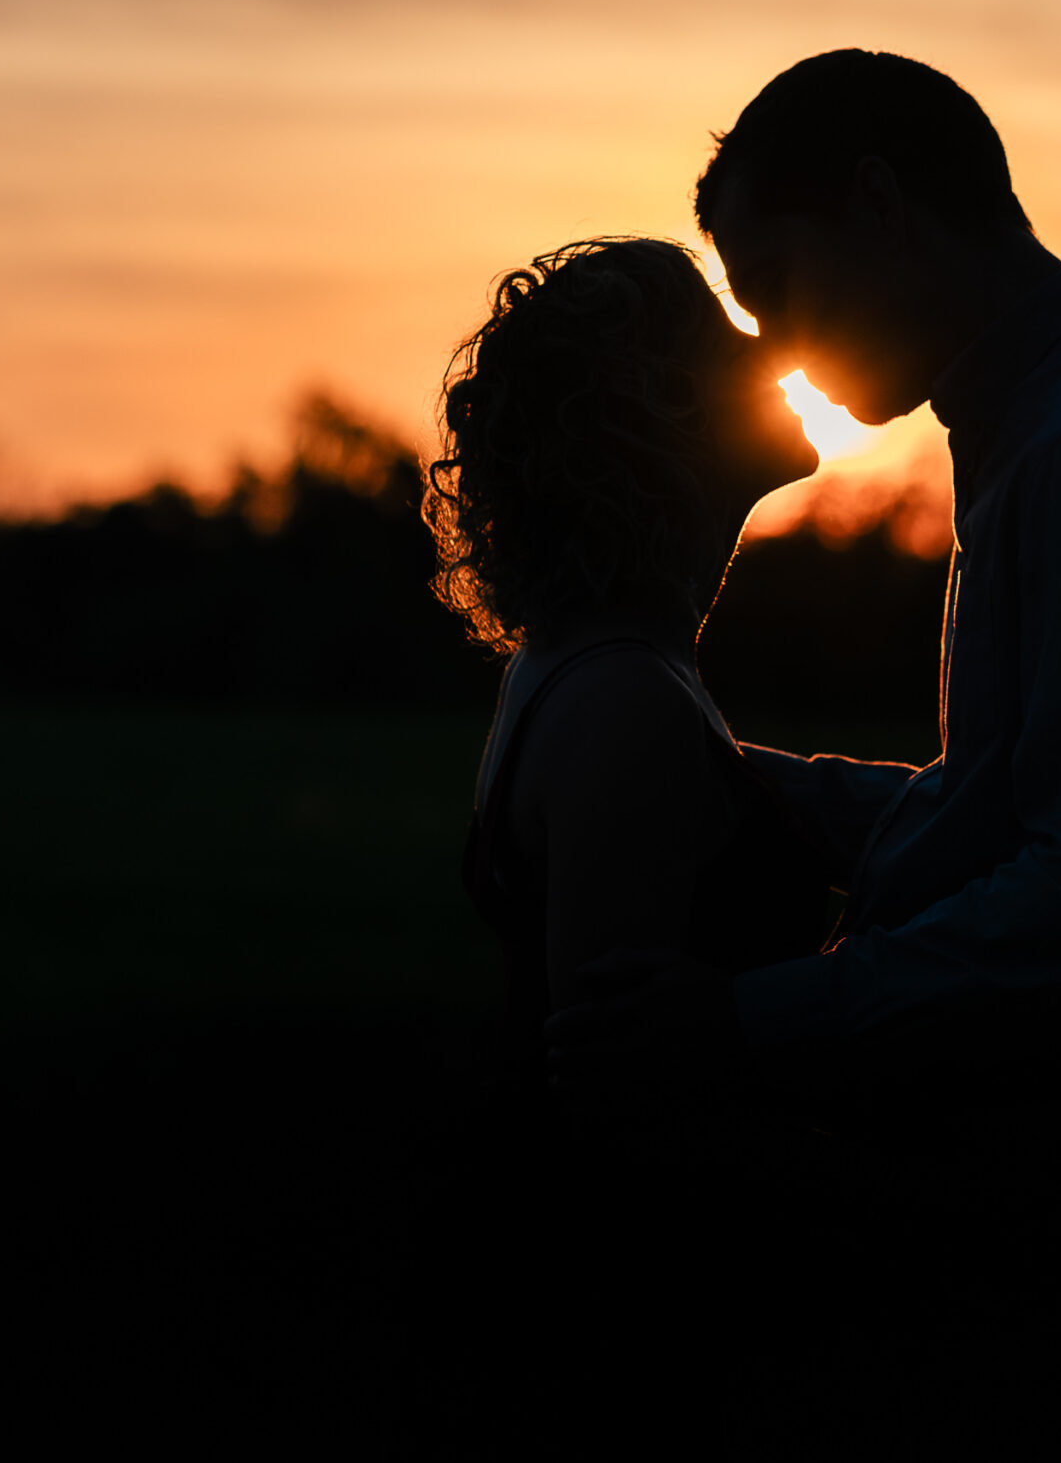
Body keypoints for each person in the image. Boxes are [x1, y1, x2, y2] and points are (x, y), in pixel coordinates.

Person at [545, 48, 1061, 1445]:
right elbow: (1019, 809)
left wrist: (747, 1018)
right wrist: (732, 774)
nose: (772, 343)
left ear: (883, 207)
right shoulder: (1056, 418)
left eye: (776, 281)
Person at [408, 235, 833, 1452]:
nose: (777, 345)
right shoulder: (621, 703)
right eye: (724, 332)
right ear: (662, 402)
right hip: (623, 1353)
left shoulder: (600, 670)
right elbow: (628, 1110)